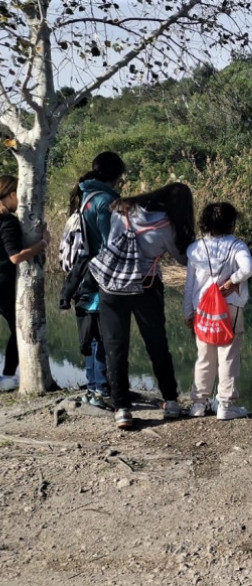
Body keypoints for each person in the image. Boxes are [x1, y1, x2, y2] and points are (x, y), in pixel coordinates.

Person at [97, 182, 195, 429]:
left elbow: (111, 240)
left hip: (112, 285)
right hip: (146, 286)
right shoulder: (167, 226)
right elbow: (183, 259)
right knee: (157, 344)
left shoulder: (122, 209)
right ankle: (171, 401)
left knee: (115, 347)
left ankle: (122, 409)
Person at [60, 151, 127, 407]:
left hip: (85, 275)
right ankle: (100, 390)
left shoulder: (86, 196)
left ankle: (93, 387)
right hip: (101, 278)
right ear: (117, 174)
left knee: (91, 334)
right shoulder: (106, 202)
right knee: (101, 334)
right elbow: (112, 243)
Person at [183, 202, 252, 420]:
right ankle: (225, 404)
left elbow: (189, 285)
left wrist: (188, 312)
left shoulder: (196, 248)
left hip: (202, 309)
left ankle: (198, 403)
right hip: (229, 307)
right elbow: (248, 269)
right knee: (228, 355)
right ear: (231, 224)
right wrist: (232, 281)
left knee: (204, 357)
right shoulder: (237, 246)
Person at [0, 176, 51, 391]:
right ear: (12, 195)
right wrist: (43, 243)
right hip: (3, 283)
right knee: (19, 329)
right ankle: (8, 376)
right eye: (19, 195)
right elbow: (15, 257)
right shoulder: (8, 222)